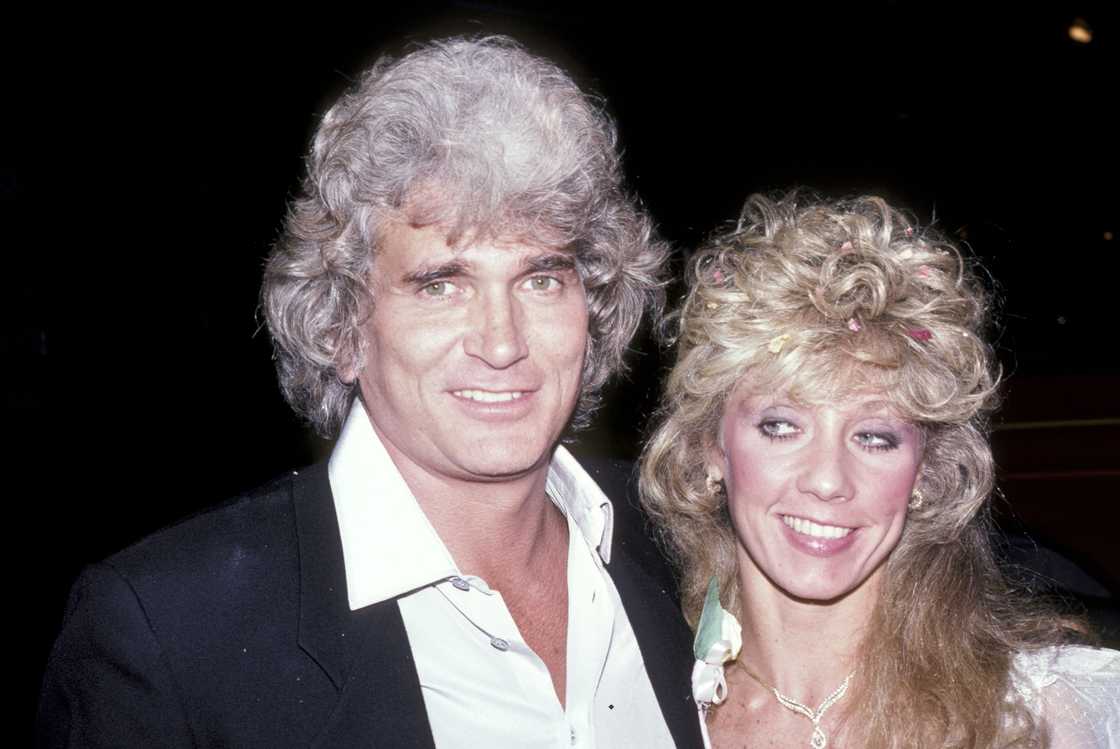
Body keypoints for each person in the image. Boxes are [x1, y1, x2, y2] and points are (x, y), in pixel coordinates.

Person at [38, 36, 705, 749]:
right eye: (441, 284)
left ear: (593, 304)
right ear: (342, 325)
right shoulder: (167, 632)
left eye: (541, 278)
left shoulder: (690, 540)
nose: (503, 341)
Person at [640, 192, 1120, 748]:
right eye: (781, 426)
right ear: (709, 450)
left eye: (874, 437)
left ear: (924, 472)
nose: (827, 480)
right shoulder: (639, 706)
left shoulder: (1048, 714)